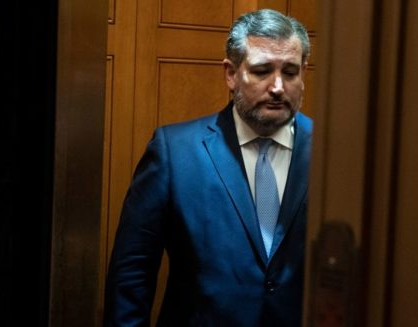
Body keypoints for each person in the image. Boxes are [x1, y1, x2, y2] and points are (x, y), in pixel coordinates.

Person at [104, 8, 312, 326]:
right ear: (231, 74)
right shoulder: (174, 152)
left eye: (290, 71)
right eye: (262, 71)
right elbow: (131, 276)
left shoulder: (332, 153)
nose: (278, 87)